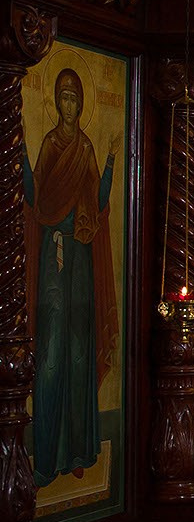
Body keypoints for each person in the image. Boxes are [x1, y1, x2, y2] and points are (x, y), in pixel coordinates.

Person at [26, 67, 118, 485]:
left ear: (81, 104)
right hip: (54, 253)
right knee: (51, 352)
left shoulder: (85, 148)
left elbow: (98, 201)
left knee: (80, 352)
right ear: (57, 102)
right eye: (63, 97)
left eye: (74, 98)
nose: (68, 105)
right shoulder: (50, 144)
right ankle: (47, 457)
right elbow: (35, 196)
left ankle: (78, 450)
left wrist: (112, 161)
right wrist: (20, 160)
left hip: (79, 256)